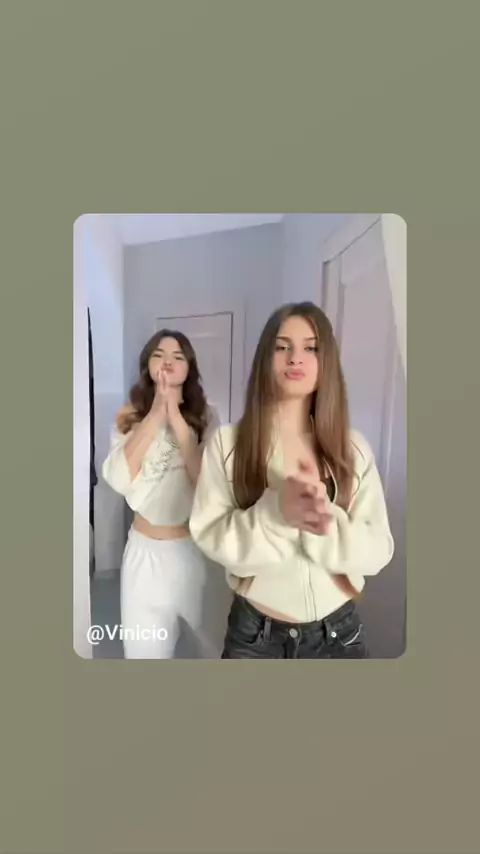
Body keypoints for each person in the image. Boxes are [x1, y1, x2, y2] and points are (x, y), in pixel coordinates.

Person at [189, 302, 394, 659]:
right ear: (265, 360)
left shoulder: (353, 448)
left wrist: (323, 521)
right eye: (282, 347)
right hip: (256, 639)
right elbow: (210, 533)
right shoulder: (227, 444)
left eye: (310, 348)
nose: (295, 358)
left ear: (326, 361)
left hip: (339, 636)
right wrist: (275, 513)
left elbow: (379, 549)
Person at [102, 329, 220, 659]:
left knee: (209, 652)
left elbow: (208, 485)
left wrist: (178, 421)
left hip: (193, 552)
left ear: (189, 368)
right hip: (143, 555)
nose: (167, 362)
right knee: (144, 653)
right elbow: (118, 478)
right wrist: (155, 415)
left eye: (177, 356)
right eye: (158, 354)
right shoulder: (129, 416)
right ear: (148, 366)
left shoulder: (207, 416)